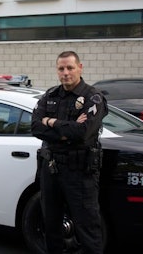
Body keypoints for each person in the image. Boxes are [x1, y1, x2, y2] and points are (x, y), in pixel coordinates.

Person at [31, 51, 108, 254]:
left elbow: (82, 133)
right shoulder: (50, 95)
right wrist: (66, 130)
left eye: (70, 68)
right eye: (61, 68)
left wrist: (52, 122)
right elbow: (36, 128)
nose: (66, 73)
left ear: (80, 68)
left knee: (87, 228)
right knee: (51, 225)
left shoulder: (94, 97)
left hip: (80, 173)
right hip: (51, 170)